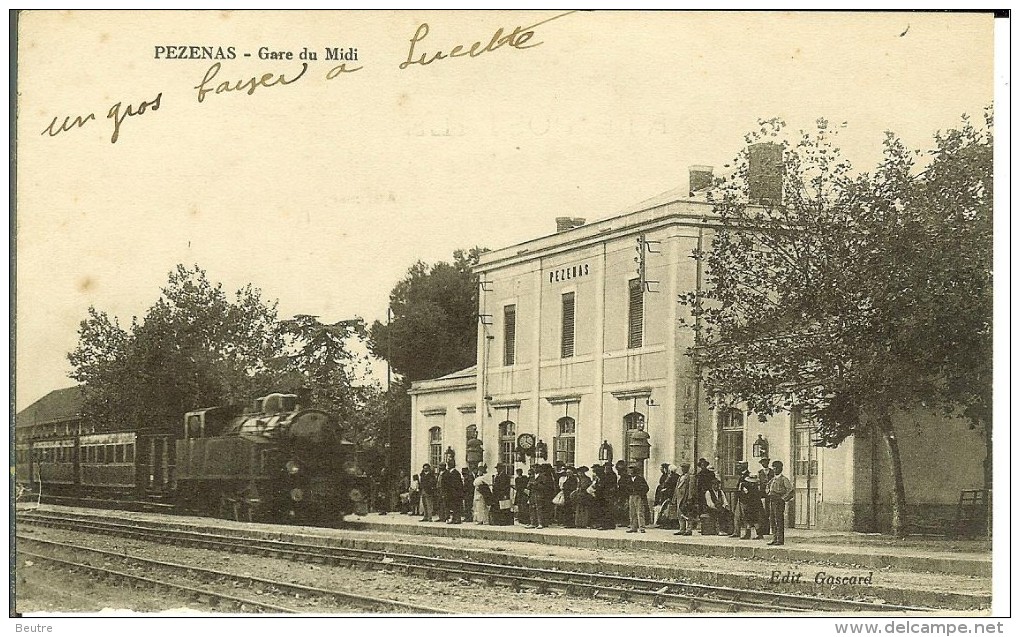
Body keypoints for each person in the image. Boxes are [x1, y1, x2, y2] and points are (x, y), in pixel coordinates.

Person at [766, 460, 794, 545]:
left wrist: (783, 498)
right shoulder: (772, 480)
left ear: (781, 469)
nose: (775, 470)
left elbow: (790, 490)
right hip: (772, 501)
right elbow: (767, 487)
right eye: (774, 468)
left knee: (779, 520)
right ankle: (774, 538)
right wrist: (768, 492)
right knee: (772, 520)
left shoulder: (784, 479)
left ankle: (780, 540)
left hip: (779, 502)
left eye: (777, 468)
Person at [622, 464, 650, 533]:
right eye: (630, 470)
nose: (630, 471)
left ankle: (642, 527)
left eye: (632, 470)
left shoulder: (640, 479)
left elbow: (646, 488)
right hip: (631, 496)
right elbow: (626, 487)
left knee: (640, 512)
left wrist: (640, 493)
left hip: (638, 496)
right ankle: (633, 527)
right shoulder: (629, 479)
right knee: (632, 512)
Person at [738, 474, 766, 539]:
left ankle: (756, 534)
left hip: (750, 505)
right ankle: (753, 534)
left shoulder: (749, 488)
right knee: (751, 520)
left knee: (752, 520)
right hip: (754, 505)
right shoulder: (756, 488)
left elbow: (744, 496)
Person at [673, 463, 695, 536]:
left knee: (688, 513)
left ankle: (689, 529)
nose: (683, 469)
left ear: (687, 468)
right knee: (680, 513)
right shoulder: (680, 477)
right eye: (682, 468)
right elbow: (677, 487)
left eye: (684, 468)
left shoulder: (690, 477)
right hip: (679, 497)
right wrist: (674, 497)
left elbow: (691, 488)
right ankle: (682, 529)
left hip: (685, 497)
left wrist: (689, 497)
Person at [730, 461, 750, 537]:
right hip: (740, 498)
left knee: (745, 516)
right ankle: (736, 532)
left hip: (745, 499)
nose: (738, 467)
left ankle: (747, 533)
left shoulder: (747, 475)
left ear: (744, 466)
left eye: (740, 466)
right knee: (737, 515)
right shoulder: (741, 475)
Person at [758, 458, 775, 535]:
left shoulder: (772, 472)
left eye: (766, 462)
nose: (764, 464)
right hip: (762, 493)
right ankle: (765, 529)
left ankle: (771, 529)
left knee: (770, 511)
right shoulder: (760, 472)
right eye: (763, 463)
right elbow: (758, 482)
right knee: (763, 511)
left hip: (770, 493)